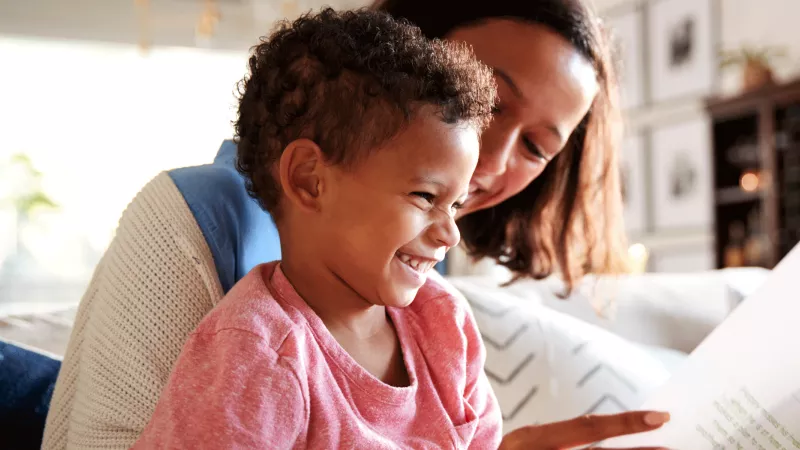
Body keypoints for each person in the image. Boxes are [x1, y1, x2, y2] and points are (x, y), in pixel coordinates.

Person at [43, 0, 671, 449]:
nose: (493, 157)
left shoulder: (431, 307)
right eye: (490, 100)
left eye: (537, 146)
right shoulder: (246, 324)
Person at [132, 9, 501, 447]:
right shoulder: (256, 355)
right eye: (425, 197)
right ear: (310, 180)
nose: (450, 234)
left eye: (455, 205)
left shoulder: (443, 320)